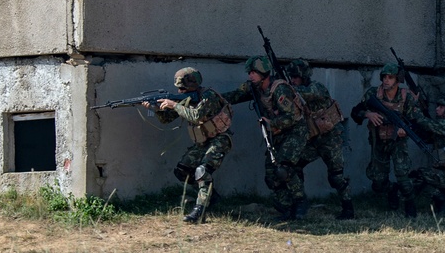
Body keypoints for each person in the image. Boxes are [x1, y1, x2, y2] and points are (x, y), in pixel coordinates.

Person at [141, 67, 233, 223]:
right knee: (182, 171)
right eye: (178, 87)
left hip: (220, 139)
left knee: (202, 171)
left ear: (193, 85)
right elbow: (167, 119)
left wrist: (174, 105)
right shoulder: (185, 99)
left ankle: (200, 211)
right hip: (203, 141)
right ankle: (211, 197)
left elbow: (197, 116)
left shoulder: (208, 96)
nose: (179, 90)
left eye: (182, 87)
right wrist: (155, 109)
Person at [222, 56, 309, 220]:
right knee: (271, 174)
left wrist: (271, 122)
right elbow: (234, 96)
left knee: (284, 167)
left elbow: (293, 117)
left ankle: (300, 201)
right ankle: (286, 208)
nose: (250, 76)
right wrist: (212, 100)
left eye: (253, 72)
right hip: (276, 132)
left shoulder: (279, 89)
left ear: (263, 73)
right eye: (249, 72)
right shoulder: (255, 88)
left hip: (295, 131)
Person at [351, 63, 423, 218]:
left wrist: (406, 130)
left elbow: (417, 121)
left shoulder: (406, 97)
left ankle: (410, 206)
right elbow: (355, 111)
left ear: (397, 79)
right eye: (384, 77)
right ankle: (392, 191)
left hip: (398, 142)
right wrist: (367, 114)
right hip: (379, 141)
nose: (386, 80)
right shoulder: (373, 94)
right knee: (377, 182)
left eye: (390, 77)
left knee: (403, 178)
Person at [287, 58, 354, 220]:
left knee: (336, 176)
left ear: (304, 76)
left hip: (330, 139)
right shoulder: (295, 91)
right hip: (313, 139)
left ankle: (348, 208)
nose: (293, 81)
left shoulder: (317, 88)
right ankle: (299, 202)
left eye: (295, 77)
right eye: (291, 78)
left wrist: (284, 88)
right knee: (294, 166)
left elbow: (305, 94)